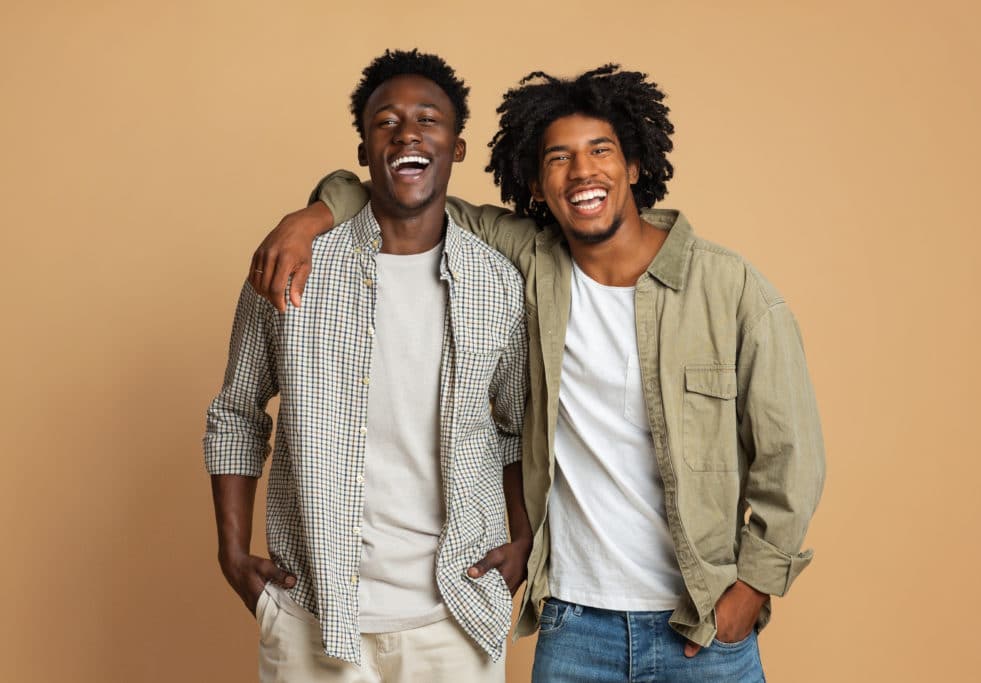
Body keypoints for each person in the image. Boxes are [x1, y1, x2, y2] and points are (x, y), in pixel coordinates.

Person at [251, 64, 826, 683]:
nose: (582, 173)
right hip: (573, 626)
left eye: (600, 151)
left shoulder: (731, 290)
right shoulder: (527, 260)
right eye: (560, 158)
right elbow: (403, 187)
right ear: (536, 183)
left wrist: (754, 590)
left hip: (701, 625)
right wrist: (311, 216)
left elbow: (793, 455)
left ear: (635, 165)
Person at [203, 49, 530, 683]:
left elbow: (515, 426)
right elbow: (237, 414)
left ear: (456, 147)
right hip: (310, 614)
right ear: (363, 150)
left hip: (455, 619)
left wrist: (520, 542)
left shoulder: (497, 283)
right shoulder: (290, 268)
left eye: (428, 120)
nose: (408, 132)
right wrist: (231, 553)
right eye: (387, 121)